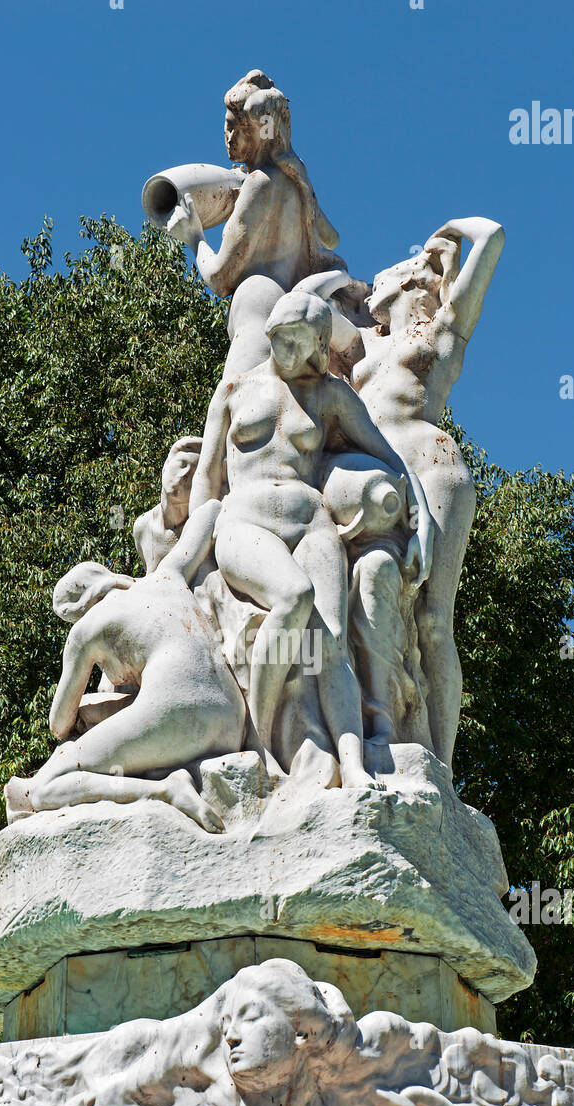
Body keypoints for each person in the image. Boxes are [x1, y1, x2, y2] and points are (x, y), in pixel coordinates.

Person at [190, 283, 433, 786]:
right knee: (294, 595)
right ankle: (259, 743)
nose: (288, 352)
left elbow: (395, 462)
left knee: (334, 639)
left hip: (312, 520)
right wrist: (190, 558)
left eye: (301, 343)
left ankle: (354, 767)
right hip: (246, 519)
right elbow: (206, 478)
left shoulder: (330, 395)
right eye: (281, 339)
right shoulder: (234, 389)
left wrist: (422, 522)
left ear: (320, 347)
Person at [317, 219, 505, 767]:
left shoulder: (441, 331)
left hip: (431, 465)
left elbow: (490, 237)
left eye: (400, 267)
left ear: (408, 283)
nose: (385, 272)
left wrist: (449, 233)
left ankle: (440, 764)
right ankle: (377, 727)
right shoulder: (360, 346)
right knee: (360, 595)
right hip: (372, 472)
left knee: (432, 619)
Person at [4, 501, 245, 832]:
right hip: (232, 721)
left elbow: (59, 724)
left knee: (46, 788)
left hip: (181, 720)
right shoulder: (167, 574)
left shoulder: (85, 632)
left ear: (79, 610)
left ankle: (165, 790)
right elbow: (210, 511)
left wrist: (87, 706)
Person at [166, 70, 360, 377]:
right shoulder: (293, 179)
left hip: (260, 313)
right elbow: (331, 239)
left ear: (257, 131)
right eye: (227, 127)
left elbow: (219, 278)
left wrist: (193, 236)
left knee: (231, 411)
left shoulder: (259, 184)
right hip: (295, 317)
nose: (230, 137)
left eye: (238, 130)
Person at [133, 436, 203, 573]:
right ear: (165, 467)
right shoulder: (142, 526)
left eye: (195, 474)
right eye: (182, 464)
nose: (185, 475)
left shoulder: (198, 528)